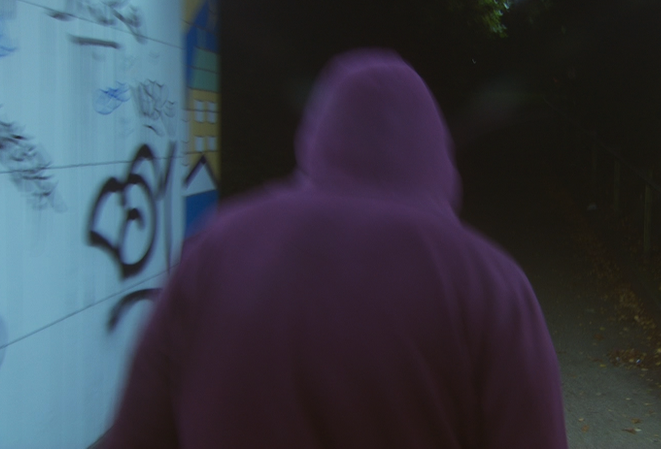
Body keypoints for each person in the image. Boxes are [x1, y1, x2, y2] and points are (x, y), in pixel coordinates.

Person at [103, 49, 568, 448]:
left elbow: (138, 434)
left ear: (317, 136)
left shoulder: (215, 248)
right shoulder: (491, 283)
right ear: (436, 152)